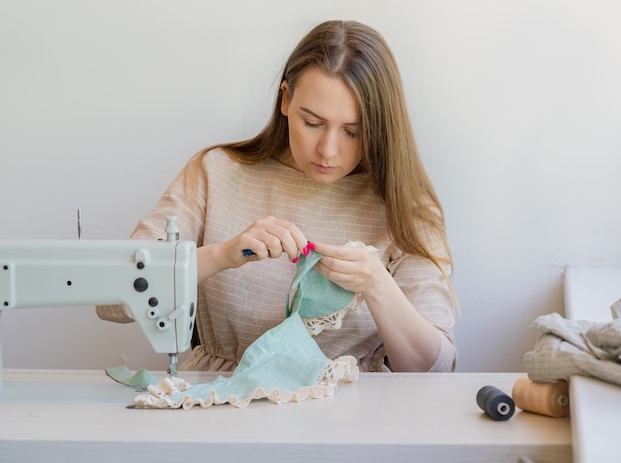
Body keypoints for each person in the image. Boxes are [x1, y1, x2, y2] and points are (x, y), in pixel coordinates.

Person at [97, 20, 457, 373]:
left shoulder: (404, 205)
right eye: (312, 123)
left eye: (352, 132)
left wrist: (378, 286)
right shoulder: (215, 172)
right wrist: (222, 255)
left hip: (353, 414)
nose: (328, 150)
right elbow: (110, 300)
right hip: (221, 410)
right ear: (285, 99)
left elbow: (436, 370)